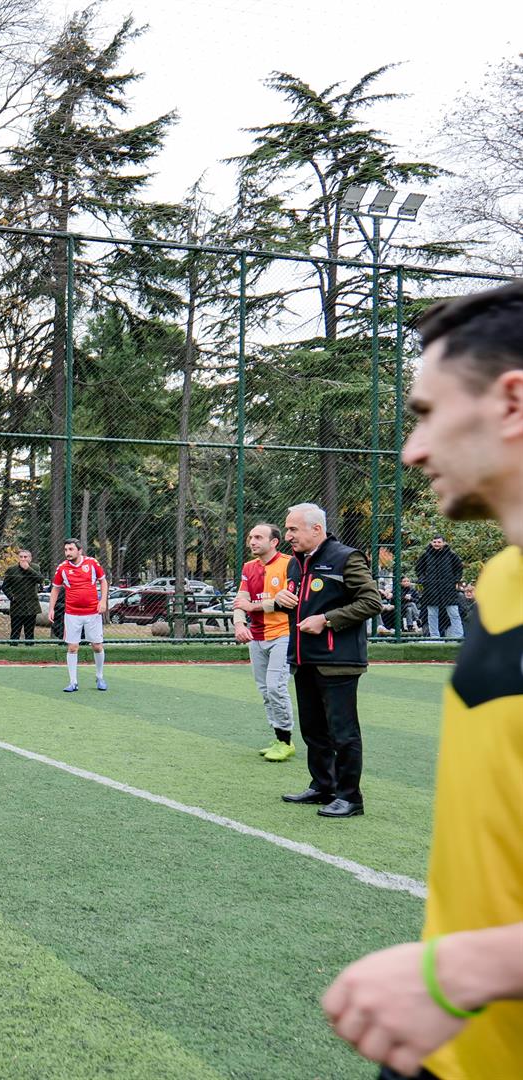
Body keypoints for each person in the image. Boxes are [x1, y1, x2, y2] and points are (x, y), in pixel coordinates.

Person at [322, 279, 523, 1080]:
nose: (412, 450)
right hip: (453, 1051)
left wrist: (461, 973)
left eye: (428, 414)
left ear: (512, 401)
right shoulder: (506, 581)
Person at [273, 503, 380, 819]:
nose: (288, 535)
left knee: (342, 731)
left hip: (339, 660)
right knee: (313, 729)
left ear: (316, 529)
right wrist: (281, 602)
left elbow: (372, 601)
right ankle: (323, 786)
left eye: (293, 529)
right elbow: (298, 605)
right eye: (288, 529)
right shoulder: (296, 564)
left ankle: (350, 797)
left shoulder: (346, 558)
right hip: (304, 658)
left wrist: (328, 620)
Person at [232, 523, 296, 762]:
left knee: (275, 687)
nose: (252, 541)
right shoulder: (249, 567)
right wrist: (240, 624)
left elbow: (289, 601)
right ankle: (278, 737)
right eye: (250, 537)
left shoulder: (290, 564)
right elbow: (241, 600)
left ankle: (286, 740)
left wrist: (254, 607)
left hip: (283, 635)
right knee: (264, 690)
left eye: (258, 537)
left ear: (274, 542)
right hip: (256, 637)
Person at [49, 538, 108, 692]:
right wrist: (51, 608)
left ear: (79, 550)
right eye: (66, 550)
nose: (67, 553)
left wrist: (103, 601)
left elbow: (103, 581)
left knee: (96, 646)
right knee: (73, 647)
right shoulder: (62, 568)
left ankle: (100, 676)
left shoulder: (92, 563)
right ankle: (73, 682)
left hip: (92, 613)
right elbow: (55, 588)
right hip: (72, 614)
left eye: (71, 549)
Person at [415, 536, 464, 640]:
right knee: (432, 614)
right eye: (434, 542)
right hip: (431, 589)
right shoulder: (425, 555)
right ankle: (434, 637)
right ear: (431, 542)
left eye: (439, 542)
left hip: (448, 589)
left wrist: (454, 581)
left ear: (444, 543)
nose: (436, 544)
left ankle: (458, 636)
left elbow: (459, 569)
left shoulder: (451, 556)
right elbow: (418, 569)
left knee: (454, 612)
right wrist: (424, 580)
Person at [1, 548, 44, 641]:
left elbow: (40, 579)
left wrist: (28, 569)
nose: (23, 559)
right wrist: (12, 597)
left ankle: (30, 649)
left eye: (25, 557)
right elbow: (5, 587)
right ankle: (13, 649)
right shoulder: (12, 570)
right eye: (21, 557)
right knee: (15, 631)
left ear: (30, 558)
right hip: (17, 606)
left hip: (31, 606)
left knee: (29, 632)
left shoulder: (35, 568)